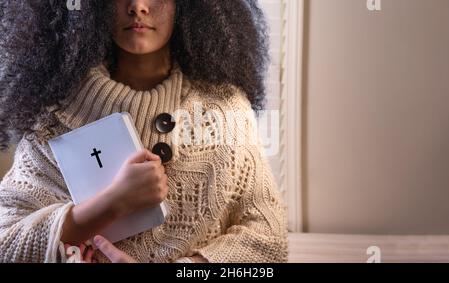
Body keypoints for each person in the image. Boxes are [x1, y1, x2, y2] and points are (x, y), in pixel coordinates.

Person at [0, 0, 288, 263]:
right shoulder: (53, 117)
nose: (138, 6)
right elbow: (5, 244)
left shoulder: (226, 109)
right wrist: (112, 204)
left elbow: (269, 237)